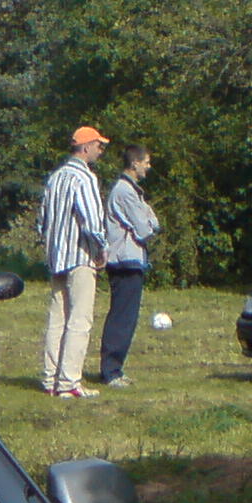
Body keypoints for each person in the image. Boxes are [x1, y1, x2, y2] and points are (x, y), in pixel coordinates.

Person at [39, 126, 110, 399]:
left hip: (56, 257)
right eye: (99, 146)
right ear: (86, 147)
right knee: (80, 320)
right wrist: (101, 249)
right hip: (80, 256)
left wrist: (49, 246)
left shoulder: (55, 177)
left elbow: (42, 220)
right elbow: (91, 220)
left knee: (57, 319)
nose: (100, 151)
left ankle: (50, 378)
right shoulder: (85, 177)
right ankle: (69, 382)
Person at [98, 145, 161, 388]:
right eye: (146, 162)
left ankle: (115, 368)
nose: (149, 167)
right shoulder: (125, 191)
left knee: (128, 318)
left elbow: (153, 221)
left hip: (132, 261)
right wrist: (148, 222)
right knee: (122, 318)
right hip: (124, 262)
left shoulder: (134, 191)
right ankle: (110, 371)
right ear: (134, 163)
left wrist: (148, 221)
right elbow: (145, 229)